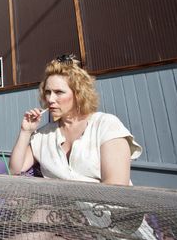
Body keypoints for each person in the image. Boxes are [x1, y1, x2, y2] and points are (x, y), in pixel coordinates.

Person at [9, 54, 142, 185]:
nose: (50, 99)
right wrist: (25, 132)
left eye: (59, 92)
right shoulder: (43, 135)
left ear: (79, 94)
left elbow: (117, 186)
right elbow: (15, 170)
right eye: (48, 92)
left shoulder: (106, 126)